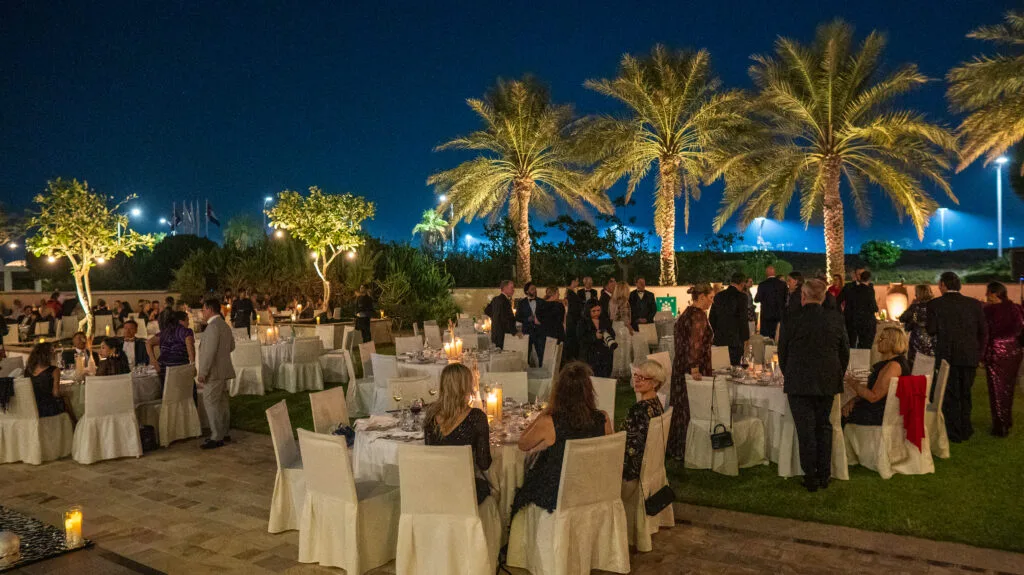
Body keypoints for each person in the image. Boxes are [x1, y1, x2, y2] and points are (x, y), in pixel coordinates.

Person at [511, 361, 613, 518]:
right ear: (588, 391)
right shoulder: (603, 418)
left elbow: (523, 443)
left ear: (559, 391)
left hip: (561, 490)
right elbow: (608, 453)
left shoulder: (550, 422)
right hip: (592, 485)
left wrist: (547, 411)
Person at [779, 279, 850, 492]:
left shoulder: (791, 320)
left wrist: (789, 373)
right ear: (822, 297)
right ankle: (824, 474)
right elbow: (844, 352)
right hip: (827, 380)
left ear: (803, 296)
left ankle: (810, 475)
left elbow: (783, 353)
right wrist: (836, 372)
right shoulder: (835, 319)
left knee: (806, 430)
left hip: (799, 381)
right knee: (824, 426)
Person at [927, 272, 986, 442]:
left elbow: (931, 330)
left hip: (947, 355)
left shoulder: (935, 304)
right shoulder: (974, 304)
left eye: (940, 284)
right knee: (965, 392)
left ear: (944, 285)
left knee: (950, 393)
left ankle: (953, 431)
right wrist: (979, 353)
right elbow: (983, 331)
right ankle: (966, 427)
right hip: (969, 355)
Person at [423, 363, 492, 504]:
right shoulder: (476, 417)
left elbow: (430, 452)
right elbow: (484, 463)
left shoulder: (430, 415)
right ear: (466, 387)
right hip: (463, 492)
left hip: (434, 489)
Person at [666, 283, 714, 460]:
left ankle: (678, 447)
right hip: (693, 368)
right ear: (701, 297)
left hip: (680, 366)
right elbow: (695, 343)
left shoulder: (686, 313)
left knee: (680, 407)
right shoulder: (698, 316)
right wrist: (695, 368)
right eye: (710, 298)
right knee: (693, 408)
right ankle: (691, 449)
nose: (711, 302)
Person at [842, 327, 910, 426]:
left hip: (881, 415)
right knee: (845, 409)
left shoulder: (894, 366)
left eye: (882, 339)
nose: (878, 341)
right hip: (877, 410)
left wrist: (851, 381)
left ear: (892, 342)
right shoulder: (890, 363)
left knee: (840, 416)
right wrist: (854, 400)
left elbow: (874, 397)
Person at [982, 282, 1024, 437]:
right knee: (1008, 388)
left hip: (997, 353)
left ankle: (1000, 426)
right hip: (1014, 352)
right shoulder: (1015, 308)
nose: (986, 295)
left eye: (988, 292)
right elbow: (1021, 327)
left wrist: (983, 355)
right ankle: (1007, 420)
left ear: (995, 293)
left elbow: (986, 335)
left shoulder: (989, 311)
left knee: (996, 390)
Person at [197, 298, 236, 449]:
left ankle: (216, 435)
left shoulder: (212, 327)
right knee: (222, 402)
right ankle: (224, 431)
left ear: (210, 309)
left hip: (214, 372)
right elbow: (231, 346)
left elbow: (208, 352)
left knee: (211, 402)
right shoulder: (224, 325)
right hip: (224, 369)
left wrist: (203, 372)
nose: (202, 312)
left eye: (203, 309)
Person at [622, 359, 666, 481]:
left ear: (655, 383)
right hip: (650, 463)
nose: (636, 380)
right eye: (636, 376)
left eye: (642, 378)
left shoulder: (638, 410)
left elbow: (630, 446)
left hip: (632, 469)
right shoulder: (657, 403)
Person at [710, 272, 751, 366]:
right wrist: (746, 338)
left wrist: (714, 335)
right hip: (735, 340)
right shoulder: (742, 297)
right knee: (735, 369)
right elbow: (743, 319)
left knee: (721, 368)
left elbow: (712, 318)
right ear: (742, 283)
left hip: (720, 339)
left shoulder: (718, 296)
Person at [147, 311, 196, 381]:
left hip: (163, 369)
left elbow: (148, 343)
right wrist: (192, 365)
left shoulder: (165, 332)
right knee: (188, 388)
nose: (188, 323)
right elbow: (190, 345)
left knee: (165, 390)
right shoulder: (186, 331)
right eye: (187, 320)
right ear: (180, 321)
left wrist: (153, 361)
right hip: (179, 368)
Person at [25, 343, 66, 418]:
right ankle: (74, 425)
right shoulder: (54, 370)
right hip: (48, 409)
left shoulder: (28, 370)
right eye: (52, 351)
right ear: (47, 354)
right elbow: (56, 393)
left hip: (32, 409)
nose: (54, 353)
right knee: (67, 401)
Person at [577, 299, 616, 377]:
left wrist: (606, 335)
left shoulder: (605, 320)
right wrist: (594, 336)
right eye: (593, 311)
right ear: (588, 311)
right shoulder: (582, 322)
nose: (597, 313)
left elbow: (612, 333)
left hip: (604, 355)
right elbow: (580, 338)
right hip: (589, 356)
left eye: (598, 310)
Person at [899, 284, 936, 365]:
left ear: (919, 294)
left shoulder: (915, 307)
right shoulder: (936, 306)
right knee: (930, 365)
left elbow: (902, 318)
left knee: (914, 365)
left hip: (917, 340)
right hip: (932, 341)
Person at [843, 270, 879, 349]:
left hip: (855, 321)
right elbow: (873, 307)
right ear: (869, 279)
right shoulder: (869, 290)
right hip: (867, 322)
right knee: (865, 345)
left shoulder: (854, 289)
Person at [516, 282, 546, 367]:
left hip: (540, 332)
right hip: (527, 332)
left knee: (541, 354)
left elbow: (545, 316)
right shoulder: (521, 303)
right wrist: (527, 319)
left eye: (535, 288)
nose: (535, 290)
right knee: (526, 355)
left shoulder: (542, 302)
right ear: (527, 291)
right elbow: (518, 317)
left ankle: (542, 371)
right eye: (532, 289)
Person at [754, 265, 787, 339]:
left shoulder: (762, 285)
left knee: (766, 339)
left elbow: (757, 299)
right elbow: (785, 299)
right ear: (774, 273)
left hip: (766, 316)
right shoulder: (782, 284)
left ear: (766, 273)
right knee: (778, 337)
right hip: (779, 315)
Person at [609, 281, 634, 376]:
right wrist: (630, 329)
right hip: (623, 327)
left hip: (614, 325)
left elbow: (610, 316)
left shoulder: (612, 300)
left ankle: (616, 371)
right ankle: (624, 372)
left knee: (617, 351)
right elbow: (625, 317)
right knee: (625, 349)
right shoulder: (624, 301)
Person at [484, 280, 517, 350]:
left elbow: (486, 310)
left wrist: (495, 318)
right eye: (512, 288)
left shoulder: (495, 299)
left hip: (495, 333)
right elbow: (509, 319)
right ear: (505, 288)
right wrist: (515, 332)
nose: (513, 290)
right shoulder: (505, 302)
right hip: (504, 335)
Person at [563, 278, 583, 362]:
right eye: (577, 281)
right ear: (573, 281)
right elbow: (572, 308)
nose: (578, 282)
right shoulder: (570, 293)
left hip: (573, 319)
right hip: (573, 320)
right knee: (572, 339)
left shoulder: (570, 292)